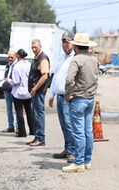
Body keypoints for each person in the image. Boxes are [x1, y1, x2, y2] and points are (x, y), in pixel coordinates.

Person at [62, 33, 99, 173]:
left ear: (76, 46)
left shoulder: (76, 59)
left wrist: (68, 95)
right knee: (88, 131)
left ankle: (79, 162)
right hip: (90, 98)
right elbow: (96, 79)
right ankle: (87, 161)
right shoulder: (94, 60)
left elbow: (69, 80)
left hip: (78, 98)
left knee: (78, 132)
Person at [48, 32, 75, 161]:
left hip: (68, 97)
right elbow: (56, 77)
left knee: (70, 125)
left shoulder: (74, 58)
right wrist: (51, 94)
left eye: (67, 42)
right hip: (59, 96)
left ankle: (73, 151)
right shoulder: (61, 58)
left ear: (73, 43)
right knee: (63, 125)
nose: (65, 44)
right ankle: (67, 148)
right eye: (63, 42)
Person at [27, 39, 50, 147]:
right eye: (32, 47)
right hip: (35, 92)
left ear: (40, 46)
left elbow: (44, 76)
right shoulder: (36, 58)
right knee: (35, 114)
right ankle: (37, 137)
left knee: (39, 115)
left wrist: (35, 88)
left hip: (39, 92)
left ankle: (40, 138)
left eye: (35, 47)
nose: (34, 49)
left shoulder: (43, 59)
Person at [10, 49, 33, 139]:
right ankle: (32, 129)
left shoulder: (16, 66)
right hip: (28, 92)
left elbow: (16, 81)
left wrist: (9, 81)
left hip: (18, 93)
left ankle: (22, 132)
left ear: (18, 56)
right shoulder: (29, 64)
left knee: (19, 112)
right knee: (29, 111)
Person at [2, 49, 18, 133]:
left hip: (15, 89)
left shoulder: (17, 66)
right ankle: (10, 126)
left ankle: (18, 126)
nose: (10, 59)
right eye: (8, 57)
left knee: (17, 109)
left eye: (12, 57)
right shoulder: (7, 66)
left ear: (15, 57)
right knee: (9, 109)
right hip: (7, 89)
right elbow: (6, 76)